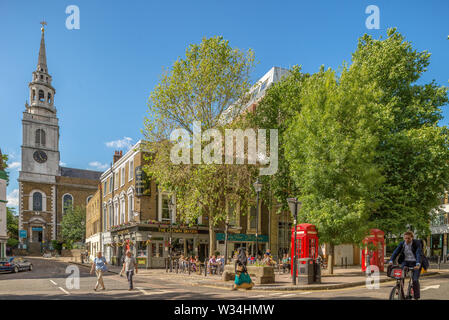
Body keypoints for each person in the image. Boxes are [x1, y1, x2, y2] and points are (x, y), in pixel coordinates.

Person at [388, 231, 423, 300]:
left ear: (412, 238)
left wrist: (418, 264)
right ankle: (400, 288)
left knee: (415, 280)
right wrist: (391, 260)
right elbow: (395, 252)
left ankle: (416, 296)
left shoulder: (417, 243)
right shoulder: (402, 244)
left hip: (415, 263)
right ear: (404, 238)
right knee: (400, 276)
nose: (407, 240)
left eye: (408, 238)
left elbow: (418, 254)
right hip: (406, 262)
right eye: (405, 238)